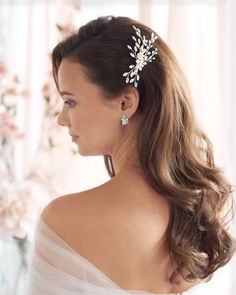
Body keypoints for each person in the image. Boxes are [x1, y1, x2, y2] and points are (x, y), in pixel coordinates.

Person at [27, 16, 236, 295]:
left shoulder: (62, 219)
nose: (62, 119)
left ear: (126, 102)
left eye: (70, 102)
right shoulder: (196, 214)